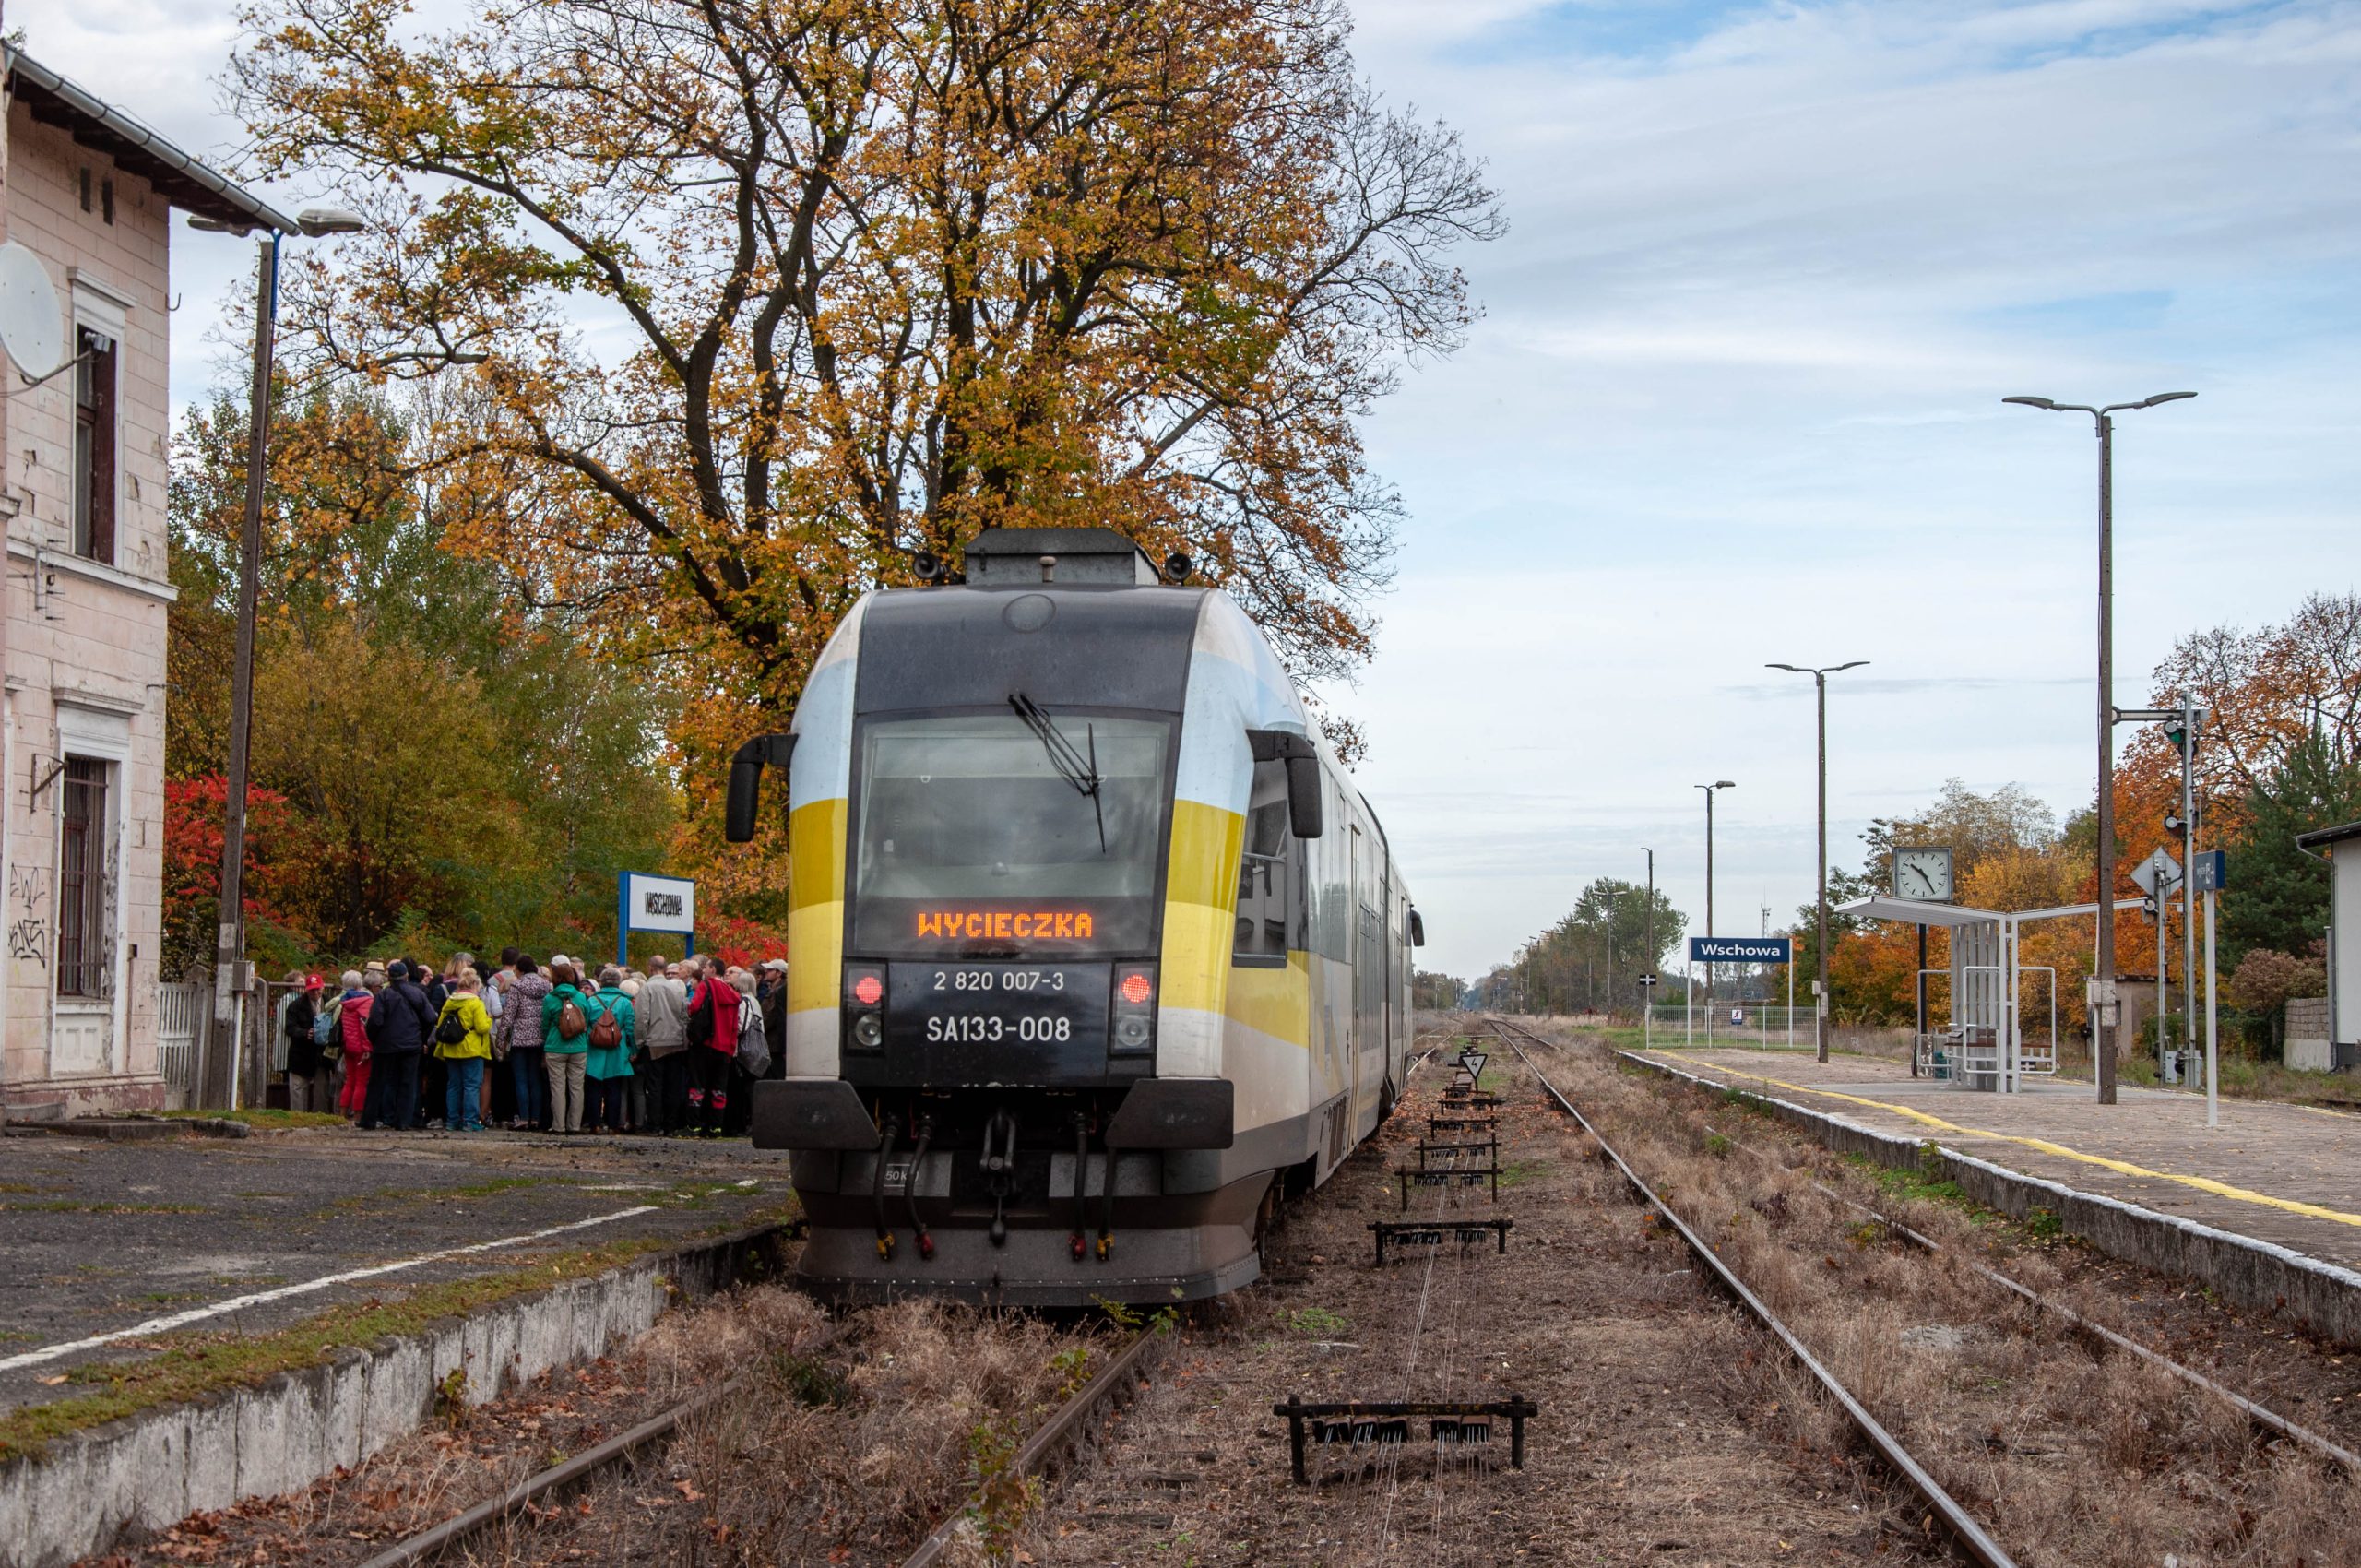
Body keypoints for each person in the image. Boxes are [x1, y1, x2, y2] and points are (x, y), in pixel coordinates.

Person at [360, 959, 436, 1130]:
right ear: (406, 976)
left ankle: (369, 1119)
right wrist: (421, 1037)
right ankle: (403, 1122)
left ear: (389, 977)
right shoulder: (418, 994)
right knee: (407, 1083)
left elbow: (375, 1021)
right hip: (411, 1045)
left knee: (377, 1082)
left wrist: (375, 1039)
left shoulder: (383, 995)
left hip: (385, 1045)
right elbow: (431, 1018)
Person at [684, 957, 742, 1136]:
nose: (704, 970)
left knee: (698, 1084)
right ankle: (716, 1126)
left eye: (707, 967)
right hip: (725, 1046)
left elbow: (694, 1007)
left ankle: (694, 1125)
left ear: (713, 970)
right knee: (719, 1088)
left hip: (706, 1043)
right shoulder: (731, 992)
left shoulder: (705, 986)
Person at [433, 969, 495, 1132]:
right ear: (474, 985)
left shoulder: (449, 1002)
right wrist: (489, 1019)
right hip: (471, 1049)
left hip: (451, 1049)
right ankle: (470, 1121)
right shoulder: (476, 1003)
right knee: (472, 1086)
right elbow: (482, 1028)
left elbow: (441, 1024)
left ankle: (452, 1121)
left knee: (453, 1085)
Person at [636, 956, 690, 1134]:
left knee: (654, 1086)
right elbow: (684, 1015)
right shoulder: (676, 988)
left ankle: (653, 1124)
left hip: (654, 1042)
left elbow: (642, 1018)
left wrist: (640, 1041)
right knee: (672, 1085)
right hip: (675, 1042)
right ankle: (670, 1125)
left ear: (650, 968)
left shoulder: (647, 988)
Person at [582, 966, 637, 1134]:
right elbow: (630, 1029)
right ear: (618, 983)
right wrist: (633, 1050)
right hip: (617, 1049)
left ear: (601, 982)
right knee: (614, 1088)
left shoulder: (591, 1001)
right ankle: (613, 1125)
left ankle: (595, 1125)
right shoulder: (625, 1002)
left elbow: (584, 1026)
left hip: (594, 1048)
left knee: (594, 1088)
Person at [500, 955, 552, 1130]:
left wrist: (501, 1039)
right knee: (535, 1079)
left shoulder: (517, 986)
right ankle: (536, 1118)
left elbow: (508, 1015)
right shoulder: (546, 986)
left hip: (520, 1039)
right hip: (539, 1039)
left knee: (521, 1080)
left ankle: (524, 1117)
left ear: (520, 969)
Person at [540, 960, 592, 1134]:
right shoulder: (581, 997)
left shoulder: (549, 999)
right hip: (578, 1047)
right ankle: (574, 1125)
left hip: (555, 1047)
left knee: (557, 1088)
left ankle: (558, 1126)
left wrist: (547, 1040)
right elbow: (587, 1019)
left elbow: (545, 1024)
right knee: (577, 1088)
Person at [280, 974, 326, 1111]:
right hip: (300, 1054)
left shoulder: (328, 1003)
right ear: (307, 989)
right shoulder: (295, 1006)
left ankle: (320, 1117)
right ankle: (297, 1116)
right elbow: (289, 1028)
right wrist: (306, 1033)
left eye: (318, 989)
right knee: (298, 1089)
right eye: (313, 990)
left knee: (321, 1090)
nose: (316, 992)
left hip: (321, 1055)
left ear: (323, 988)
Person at [337, 970, 376, 1120]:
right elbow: (364, 1027)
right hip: (361, 1048)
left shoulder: (345, 1002)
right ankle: (358, 1115)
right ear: (359, 983)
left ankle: (342, 1113)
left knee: (349, 1080)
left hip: (348, 1046)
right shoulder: (365, 1001)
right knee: (361, 1082)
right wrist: (367, 1048)